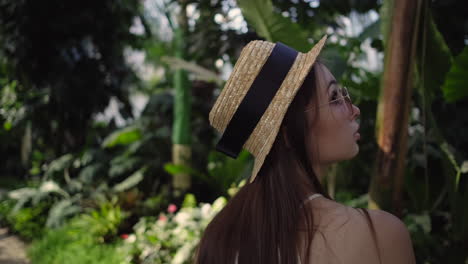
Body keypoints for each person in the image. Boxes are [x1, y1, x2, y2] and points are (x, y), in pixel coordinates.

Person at [194, 36, 416, 264]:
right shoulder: (380, 236)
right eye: (334, 98)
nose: (355, 109)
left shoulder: (218, 239)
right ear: (289, 134)